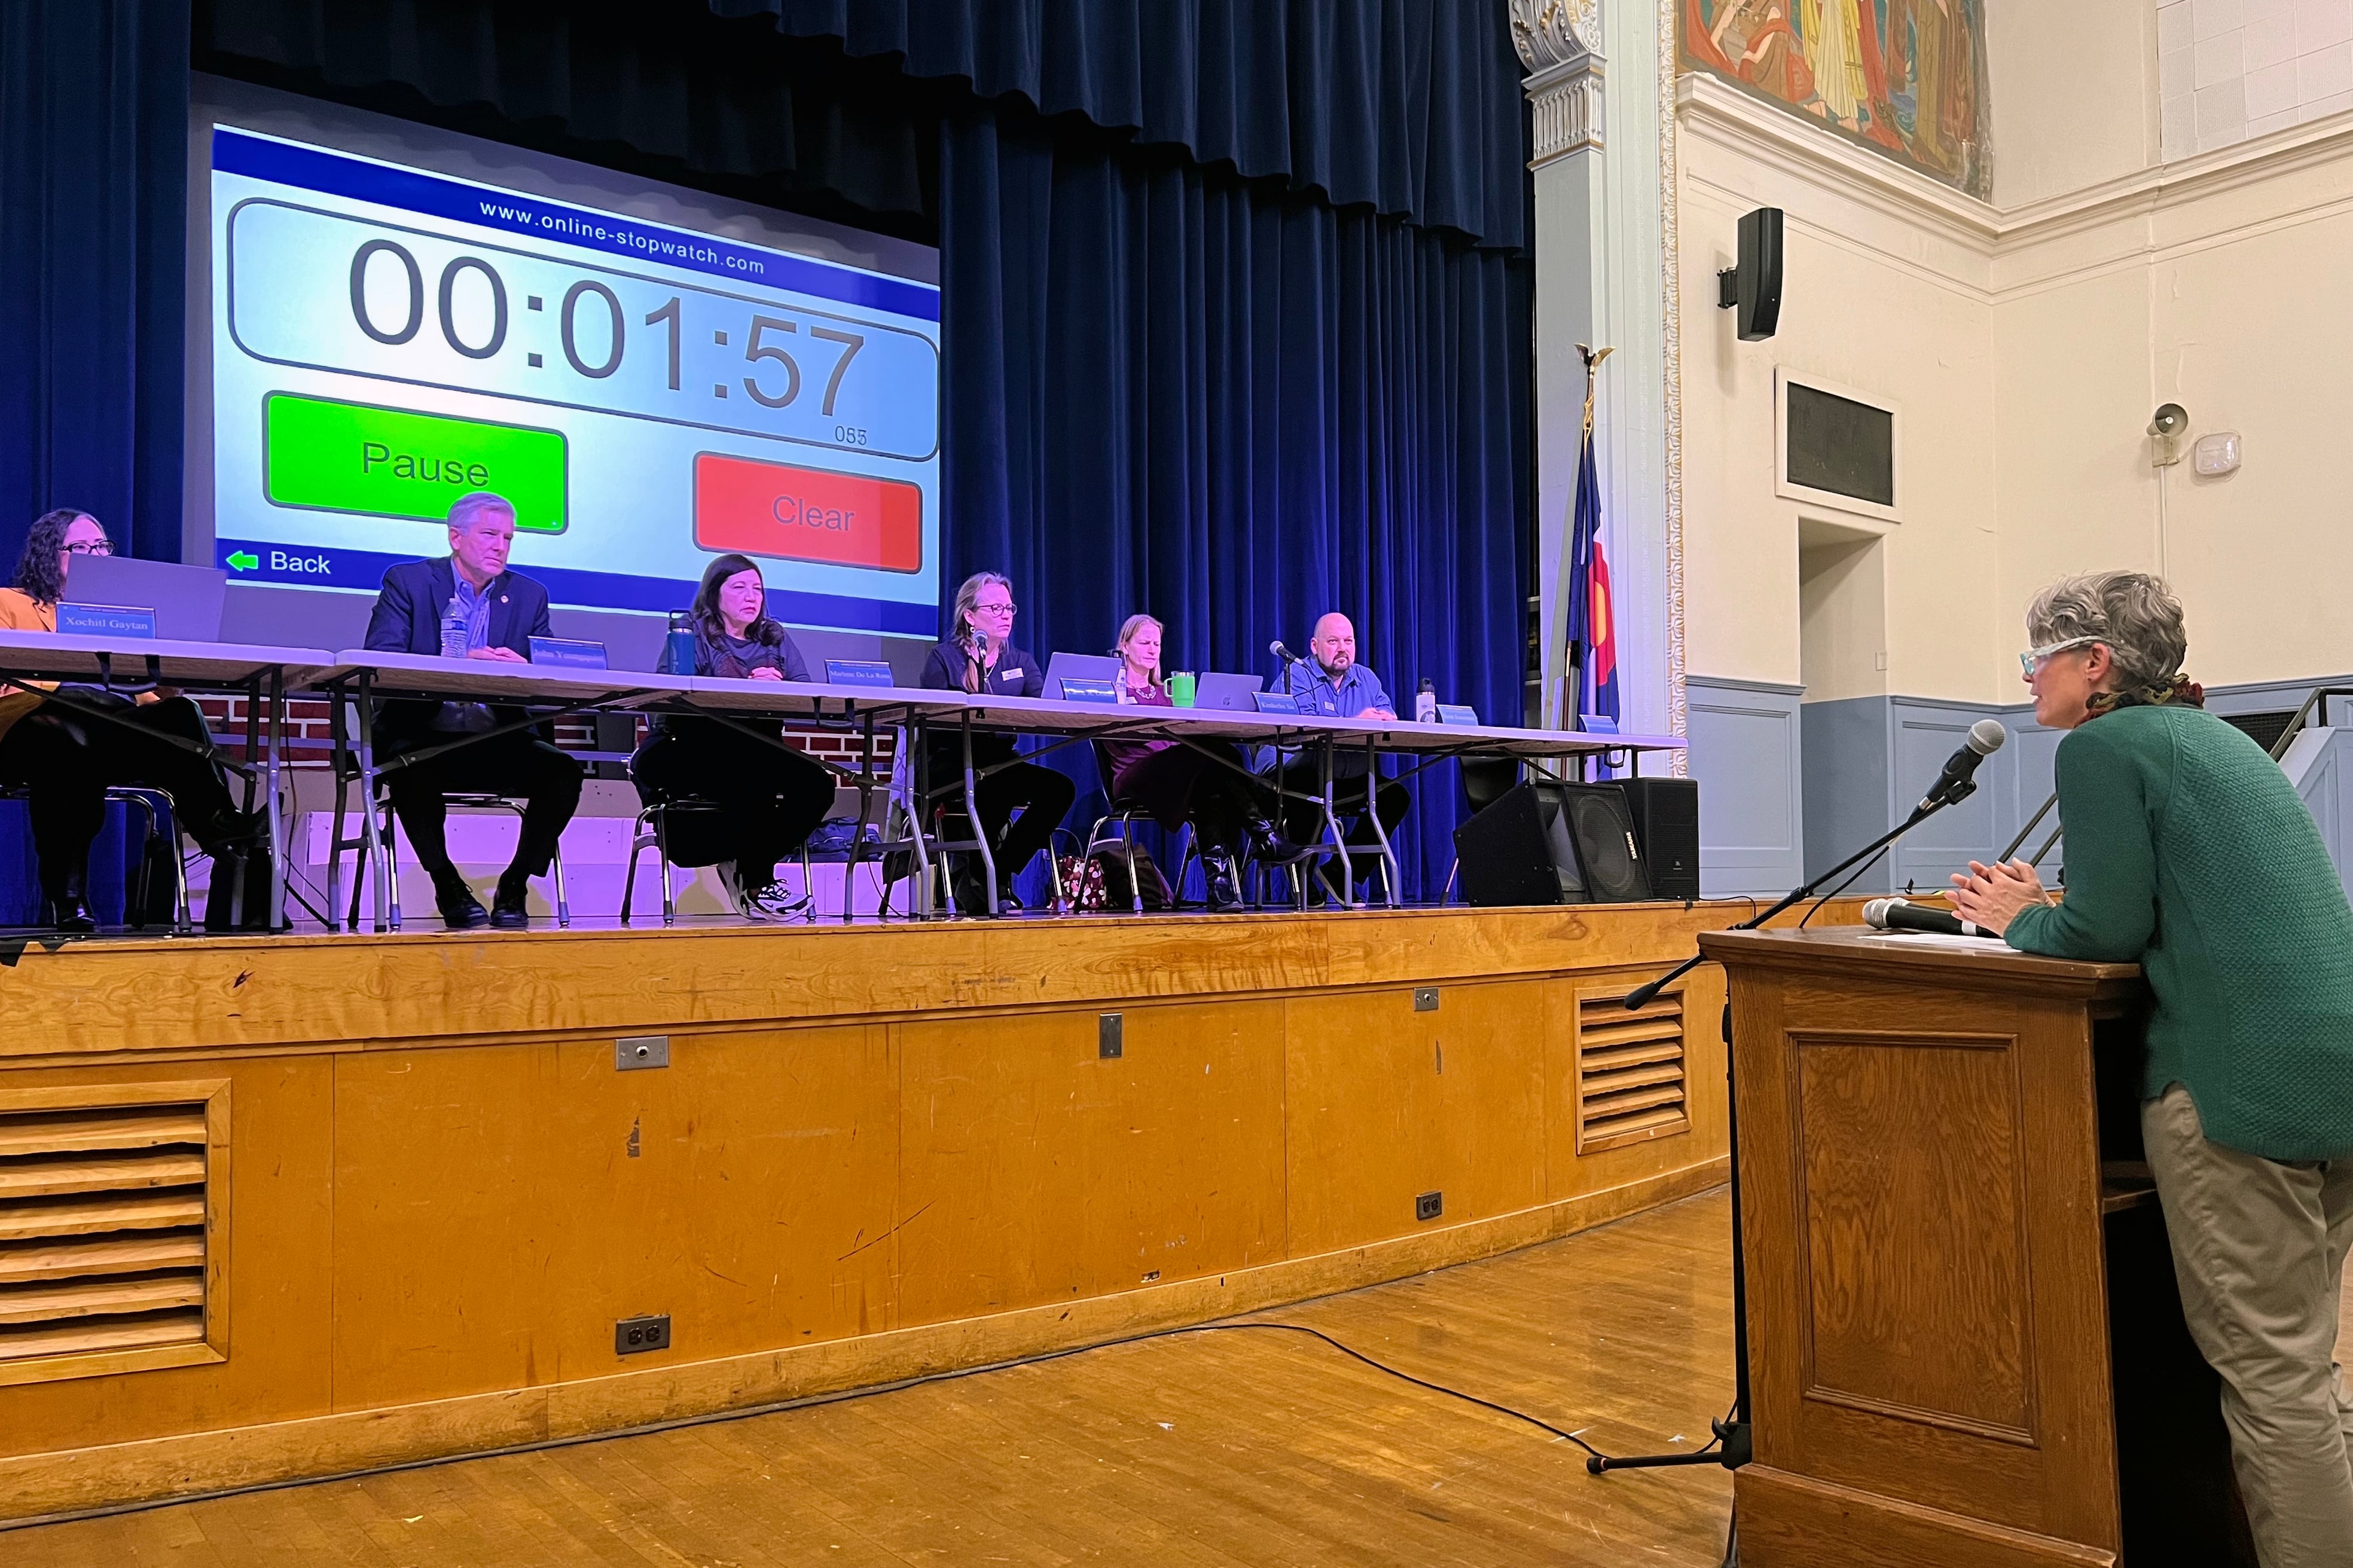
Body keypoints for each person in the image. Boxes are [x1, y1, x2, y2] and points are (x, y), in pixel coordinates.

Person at [1949, 571, 2353, 1563]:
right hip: (2332, 1071)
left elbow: (2105, 926)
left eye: (2037, 658)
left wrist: (2018, 917)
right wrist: (2049, 902)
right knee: (2305, 1366)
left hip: (2235, 1085)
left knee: (2273, 1381)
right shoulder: (2219, 740)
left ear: (2094, 664)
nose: (2028, 680)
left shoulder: (2104, 744)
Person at [0, 508, 268, 931]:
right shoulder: (9, 603)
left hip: (110, 734)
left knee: (181, 713)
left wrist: (173, 663)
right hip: (31, 733)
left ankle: (223, 829)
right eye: (80, 548)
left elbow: (149, 697)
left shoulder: (120, 620)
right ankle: (68, 898)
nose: (95, 555)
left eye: (101, 547)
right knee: (67, 727)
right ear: (49, 554)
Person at [363, 491, 584, 930]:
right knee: (412, 769)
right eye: (489, 534)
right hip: (423, 733)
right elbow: (381, 658)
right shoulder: (408, 582)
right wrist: (462, 662)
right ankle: (447, 884)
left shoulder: (528, 594)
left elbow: (544, 664)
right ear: (456, 537)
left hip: (497, 737)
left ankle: (516, 883)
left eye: (507, 537)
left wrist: (529, 669)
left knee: (563, 771)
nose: (500, 546)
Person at [631, 554, 835, 919]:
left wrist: (781, 687)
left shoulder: (774, 637)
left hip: (759, 743)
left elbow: (806, 692)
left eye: (757, 589)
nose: (751, 597)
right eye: (739, 587)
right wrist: (739, 688)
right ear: (714, 595)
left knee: (817, 785)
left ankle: (749, 865)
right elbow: (670, 699)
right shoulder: (690, 631)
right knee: (749, 774)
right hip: (692, 744)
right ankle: (758, 881)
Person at [1095, 613, 1289, 911]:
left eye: (1157, 644)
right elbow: (1113, 737)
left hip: (1178, 775)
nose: (1151, 649)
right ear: (1124, 646)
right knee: (1215, 754)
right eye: (1144, 642)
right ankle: (1264, 832)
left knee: (1212, 780)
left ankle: (1220, 887)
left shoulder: (1167, 693)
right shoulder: (1112, 690)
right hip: (1135, 776)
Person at [916, 571, 1074, 914]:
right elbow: (936, 721)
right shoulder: (944, 658)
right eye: (996, 607)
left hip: (1000, 759)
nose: (1006, 615)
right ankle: (985, 880)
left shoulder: (1020, 661)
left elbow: (1042, 707)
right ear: (970, 616)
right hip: (949, 761)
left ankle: (996, 870)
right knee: (996, 784)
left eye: (1009, 608)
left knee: (1060, 789)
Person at [1272, 612, 1411, 869]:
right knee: (1308, 790)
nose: (1342, 649)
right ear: (1315, 646)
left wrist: (1386, 719)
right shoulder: (1298, 675)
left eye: (1349, 642)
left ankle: (1339, 874)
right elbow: (1305, 728)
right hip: (1299, 770)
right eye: (1333, 642)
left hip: (1347, 776)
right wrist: (1358, 722)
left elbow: (1387, 713)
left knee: (1395, 797)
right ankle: (1304, 877)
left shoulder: (1366, 678)